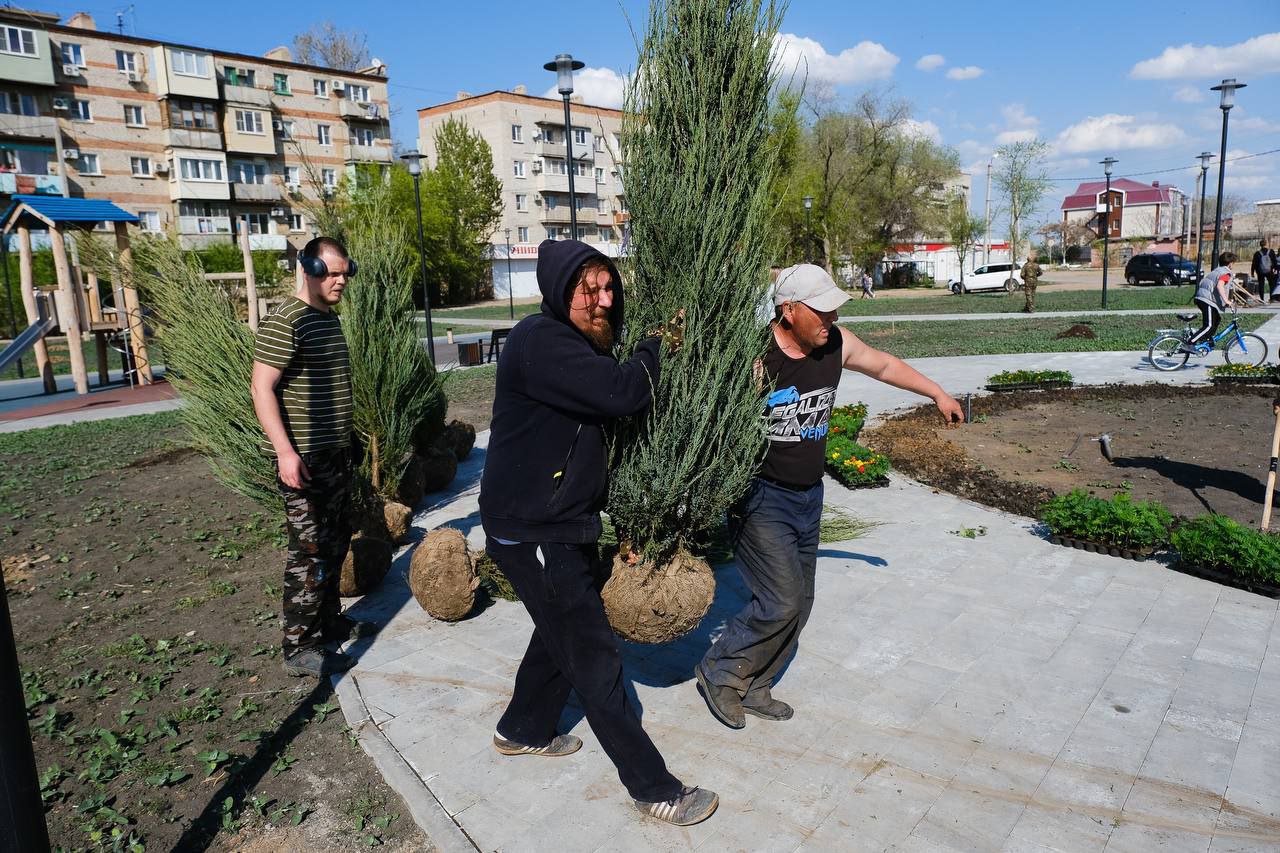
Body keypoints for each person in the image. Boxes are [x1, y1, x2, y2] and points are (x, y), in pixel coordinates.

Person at [478, 239, 717, 827]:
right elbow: (622, 394)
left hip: (559, 519)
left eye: (610, 288)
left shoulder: (568, 342)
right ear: (561, 292)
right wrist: (654, 346)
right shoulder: (543, 340)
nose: (605, 301)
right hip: (534, 528)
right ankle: (653, 787)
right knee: (592, 654)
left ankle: (524, 728)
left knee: (558, 630)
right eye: (591, 291)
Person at [696, 264, 964, 729]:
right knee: (780, 600)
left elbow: (883, 364)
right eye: (821, 311)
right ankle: (719, 670)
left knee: (802, 603)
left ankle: (755, 681)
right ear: (789, 310)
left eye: (834, 308)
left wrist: (936, 393)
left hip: (807, 496)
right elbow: (708, 420)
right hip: (760, 497)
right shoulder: (756, 355)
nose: (831, 318)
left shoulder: (836, 343)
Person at [251, 237, 376, 678]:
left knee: (337, 540)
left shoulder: (328, 317)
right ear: (309, 269)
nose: (341, 280)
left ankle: (327, 623)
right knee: (309, 551)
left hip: (334, 453)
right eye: (333, 272)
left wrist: (349, 438)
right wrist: (285, 453)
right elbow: (261, 388)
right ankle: (299, 645)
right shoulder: (288, 320)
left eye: (346, 272)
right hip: (303, 458)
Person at [1182, 251, 1237, 354]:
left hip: (1203, 298)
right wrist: (1227, 301)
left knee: (1216, 320)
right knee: (1209, 326)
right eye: (1233, 263)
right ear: (1230, 263)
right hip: (1206, 300)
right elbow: (1220, 286)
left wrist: (1229, 300)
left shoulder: (1216, 270)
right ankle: (1189, 343)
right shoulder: (1225, 273)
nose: (1233, 265)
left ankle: (1205, 339)